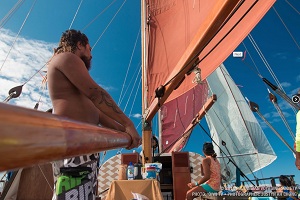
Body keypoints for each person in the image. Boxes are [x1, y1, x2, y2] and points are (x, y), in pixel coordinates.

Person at [47, 29, 141, 200]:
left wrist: (125, 133)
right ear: (80, 44)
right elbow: (96, 94)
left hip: (84, 150)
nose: (91, 55)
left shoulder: (75, 79)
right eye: (90, 49)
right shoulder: (67, 58)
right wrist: (129, 124)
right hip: (72, 146)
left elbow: (98, 114)